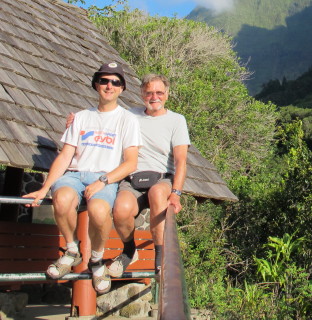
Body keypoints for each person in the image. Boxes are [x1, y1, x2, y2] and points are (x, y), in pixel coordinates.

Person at [24, 62, 141, 295]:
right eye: (104, 81)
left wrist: (104, 181)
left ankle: (96, 260)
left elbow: (131, 162)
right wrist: (44, 187)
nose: (109, 86)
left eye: (115, 82)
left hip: (104, 176)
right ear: (96, 84)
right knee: (62, 198)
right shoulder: (81, 117)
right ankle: (71, 249)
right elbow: (66, 154)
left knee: (99, 211)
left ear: (122, 88)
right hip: (76, 174)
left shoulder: (127, 120)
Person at [96, 73, 189, 276]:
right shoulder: (130, 115)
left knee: (157, 194)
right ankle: (130, 250)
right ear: (141, 94)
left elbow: (181, 160)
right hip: (133, 179)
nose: (154, 97)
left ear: (167, 94)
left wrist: (176, 193)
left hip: (162, 177)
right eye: (149, 93)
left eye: (159, 92)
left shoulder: (176, 121)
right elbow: (103, 122)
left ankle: (160, 256)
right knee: (120, 210)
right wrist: (74, 121)